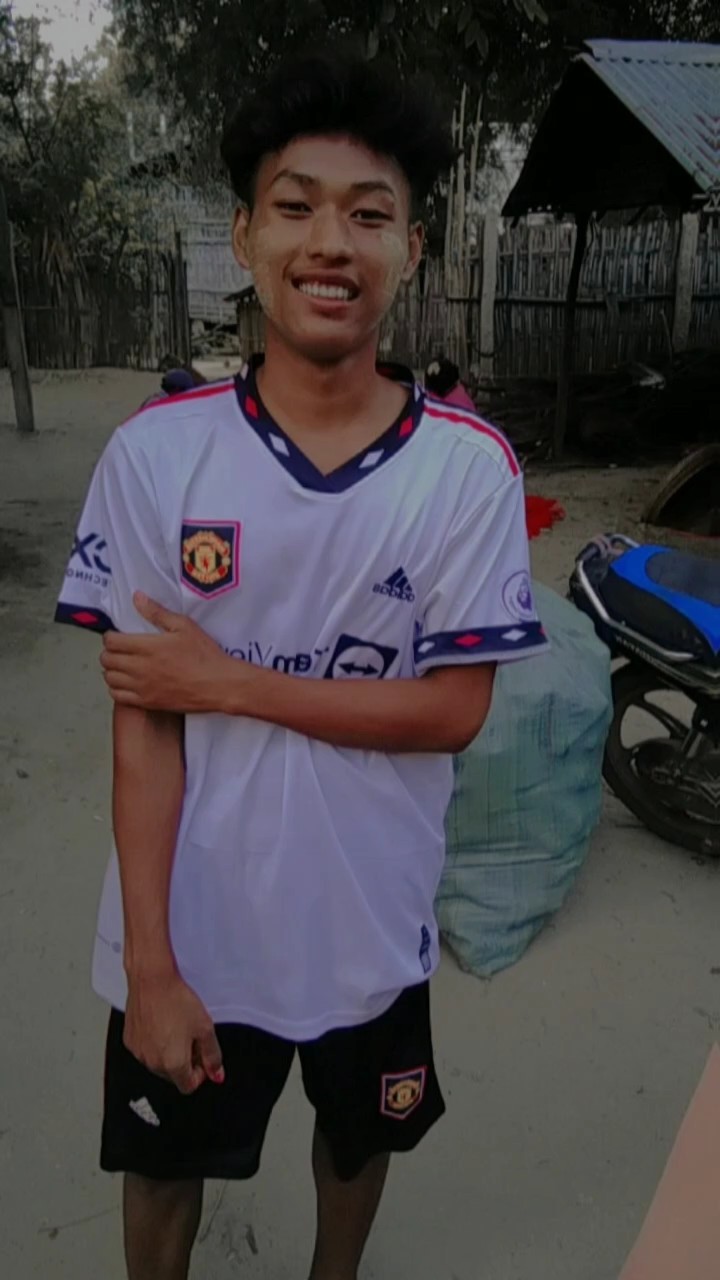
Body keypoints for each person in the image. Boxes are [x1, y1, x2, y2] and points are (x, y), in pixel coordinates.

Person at [56, 49, 548, 1280]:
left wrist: (228, 682)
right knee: (162, 1166)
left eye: (369, 215)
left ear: (412, 249)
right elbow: (144, 721)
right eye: (296, 206)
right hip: (194, 932)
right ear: (245, 233)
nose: (331, 242)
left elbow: (453, 710)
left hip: (368, 926)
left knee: (357, 1137)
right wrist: (152, 964)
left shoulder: (466, 469)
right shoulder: (158, 454)